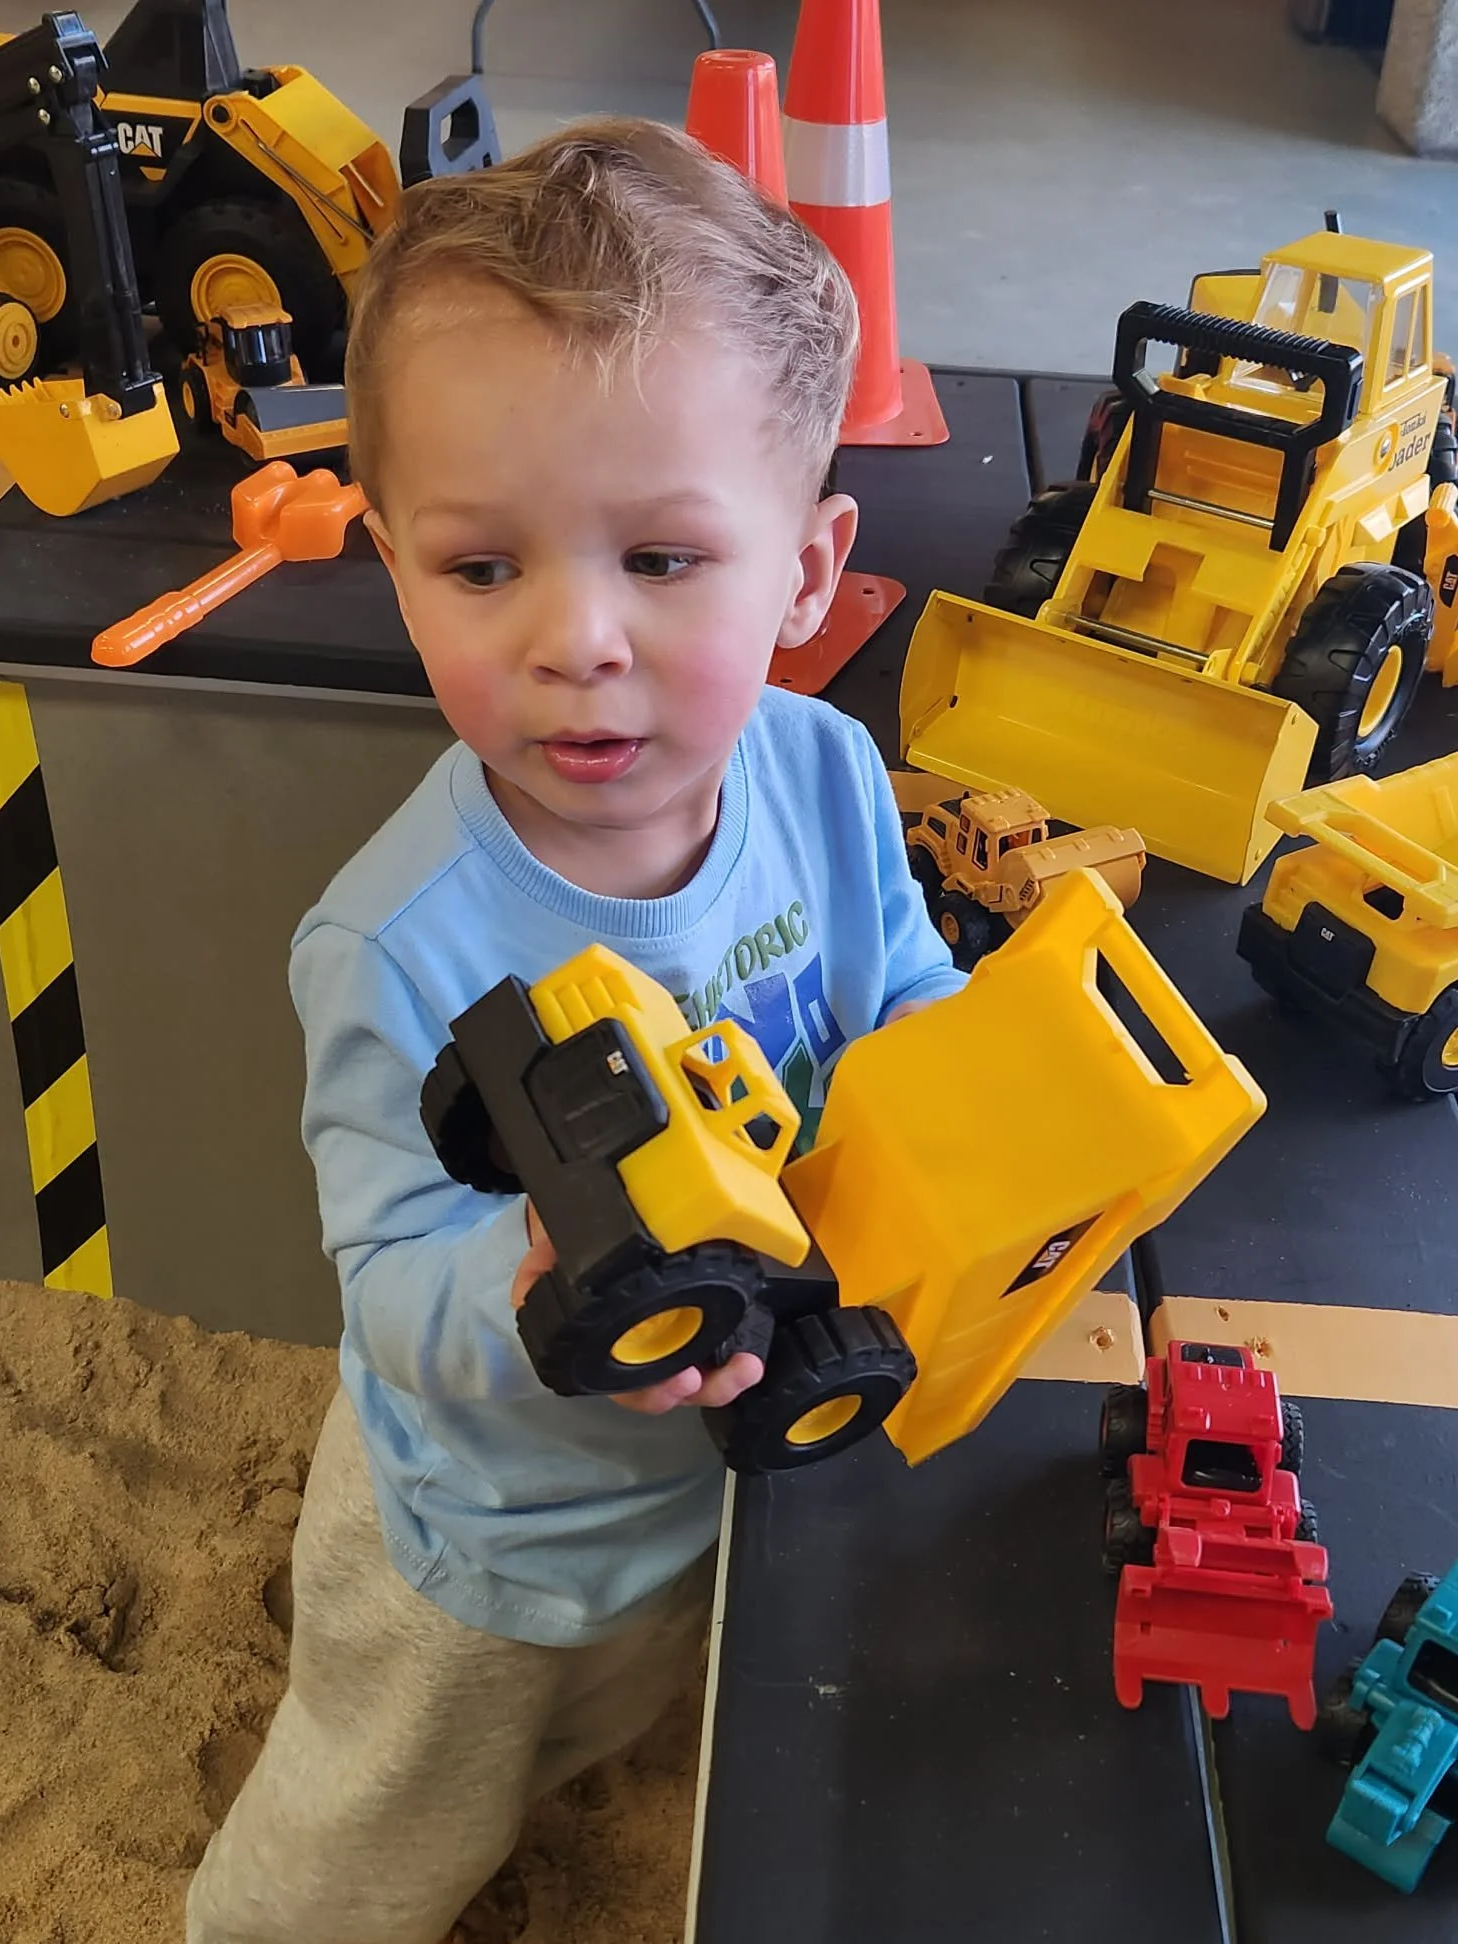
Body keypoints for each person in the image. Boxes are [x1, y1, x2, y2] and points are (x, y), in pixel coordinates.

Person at [185, 116, 963, 1944]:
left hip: (735, 1455)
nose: (575, 638)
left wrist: (960, 1098)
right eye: (480, 570)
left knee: (665, 1705)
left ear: (804, 567)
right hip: (500, 1539)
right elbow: (388, 1269)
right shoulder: (396, 938)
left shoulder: (827, 771)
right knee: (379, 1828)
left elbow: (903, 993)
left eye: (666, 561)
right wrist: (538, 1266)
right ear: (386, 558)